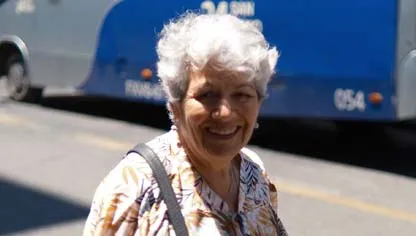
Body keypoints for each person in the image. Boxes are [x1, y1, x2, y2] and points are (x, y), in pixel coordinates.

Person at [83, 12, 287, 236]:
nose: (225, 112)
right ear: (175, 104)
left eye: (242, 95)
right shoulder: (133, 186)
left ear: (259, 101)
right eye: (207, 95)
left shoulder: (255, 177)